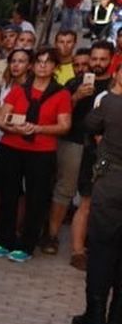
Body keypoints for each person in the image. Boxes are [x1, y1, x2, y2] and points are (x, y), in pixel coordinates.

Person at [0, 47, 71, 262]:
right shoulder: (19, 90)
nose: (42, 66)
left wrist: (38, 128)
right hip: (11, 147)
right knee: (8, 195)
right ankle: (5, 241)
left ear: (55, 66)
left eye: (48, 62)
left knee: (36, 199)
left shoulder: (61, 93)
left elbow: (64, 126)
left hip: (41, 151)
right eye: (39, 62)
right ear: (33, 66)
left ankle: (27, 245)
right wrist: (15, 128)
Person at [52, 41, 111, 265]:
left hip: (103, 149)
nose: (97, 63)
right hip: (74, 143)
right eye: (94, 59)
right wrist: (76, 96)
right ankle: (57, 239)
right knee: (67, 192)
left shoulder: (115, 85)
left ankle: (88, 246)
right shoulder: (75, 82)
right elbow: (59, 111)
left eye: (102, 59)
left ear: (111, 60)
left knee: (95, 199)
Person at [73, 69, 122, 324]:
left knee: (102, 248)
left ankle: (95, 314)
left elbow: (90, 124)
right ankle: (118, 316)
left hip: (112, 182)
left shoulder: (111, 102)